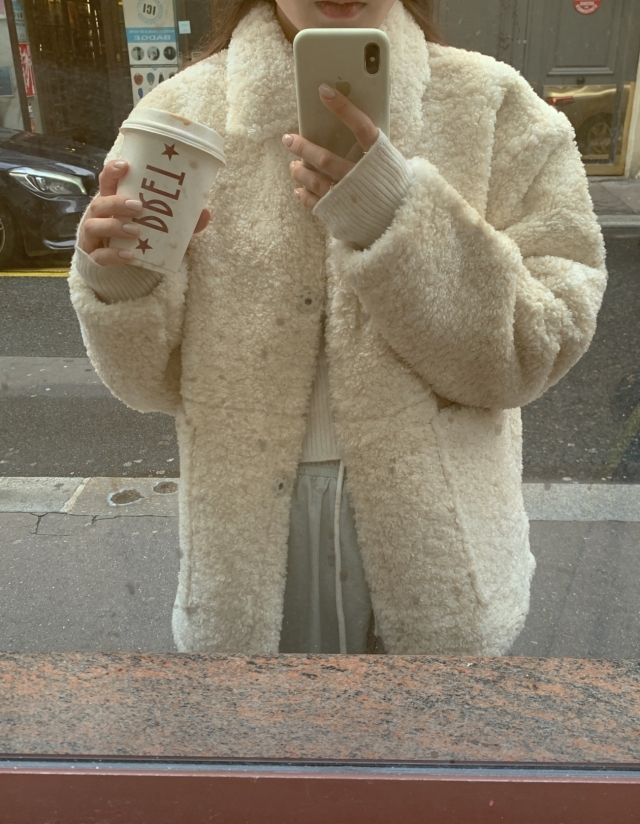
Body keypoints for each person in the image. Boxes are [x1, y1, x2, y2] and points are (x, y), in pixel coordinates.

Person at [69, 0, 606, 656]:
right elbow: (143, 383)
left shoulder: (492, 106)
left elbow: (543, 340)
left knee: (421, 724)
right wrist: (119, 282)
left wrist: (394, 217)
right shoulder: (179, 118)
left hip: (438, 542)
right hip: (247, 544)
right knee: (271, 723)